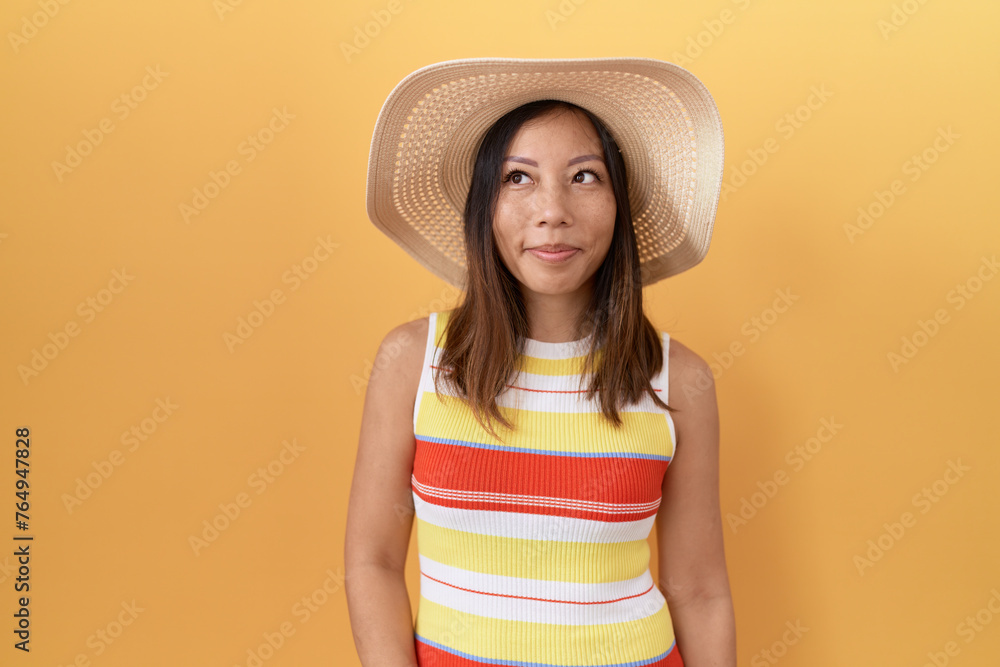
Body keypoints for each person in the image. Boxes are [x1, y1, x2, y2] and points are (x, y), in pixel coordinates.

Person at [346, 57, 735, 667]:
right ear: (484, 205)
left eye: (584, 176)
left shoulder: (679, 380)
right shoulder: (411, 363)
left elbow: (700, 590)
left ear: (620, 204)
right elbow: (372, 562)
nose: (552, 210)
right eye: (518, 178)